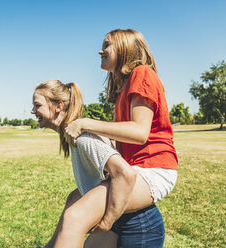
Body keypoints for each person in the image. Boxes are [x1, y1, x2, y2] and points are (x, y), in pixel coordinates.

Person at [33, 29, 178, 248]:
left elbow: (140, 133)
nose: (100, 50)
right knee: (74, 200)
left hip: (153, 168)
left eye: (107, 45)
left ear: (125, 47)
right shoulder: (125, 87)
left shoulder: (142, 73)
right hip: (137, 169)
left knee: (75, 216)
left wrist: (85, 123)